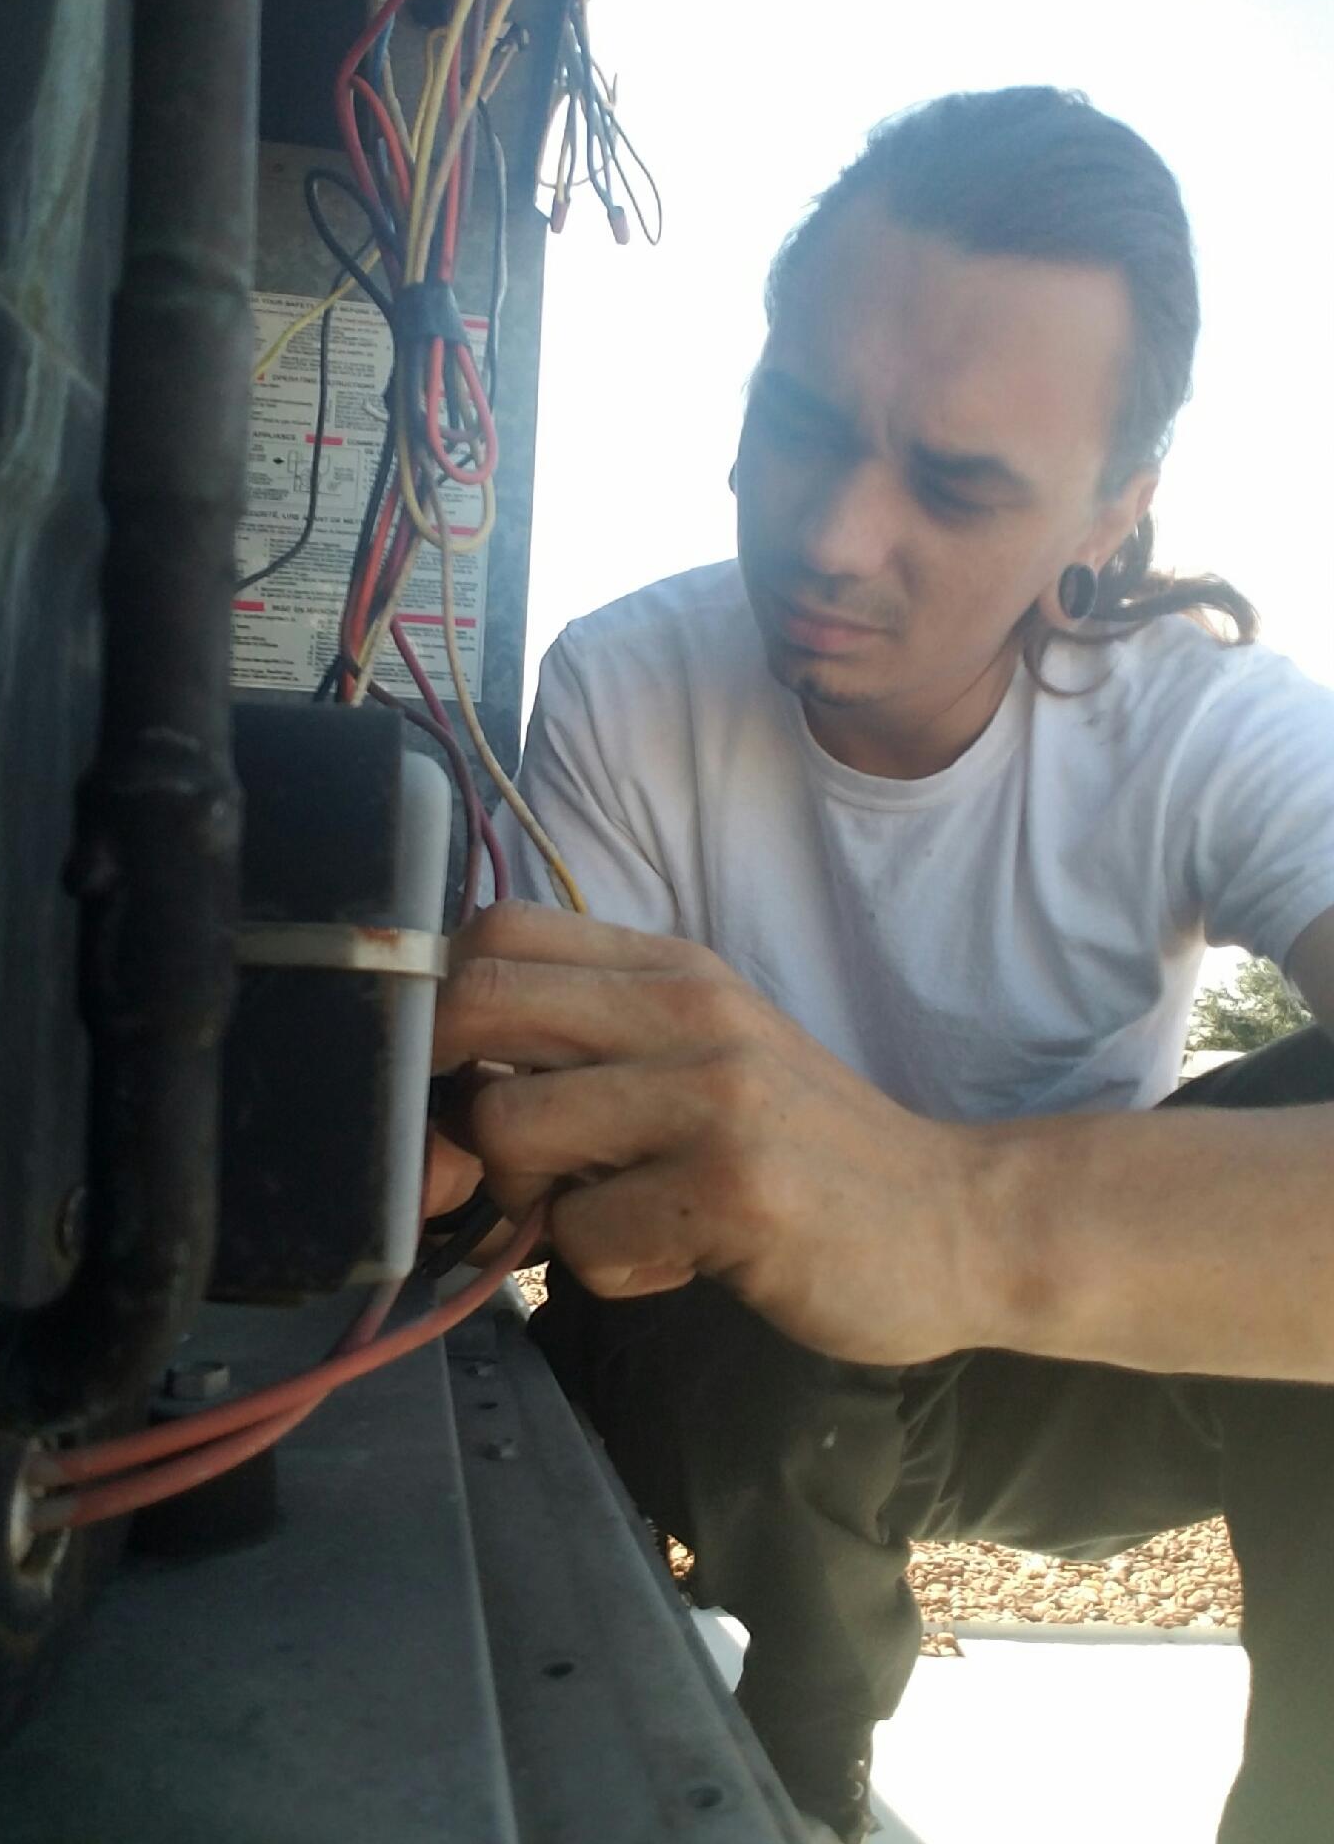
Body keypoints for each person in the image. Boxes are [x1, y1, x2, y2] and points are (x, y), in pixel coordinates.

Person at [430, 88, 1334, 1842]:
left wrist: (949, 1213)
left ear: (1110, 513)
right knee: (702, 1244)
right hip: (738, 1372)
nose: (834, 538)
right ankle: (804, 1766)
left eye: (957, 483)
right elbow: (554, 1147)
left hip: (1066, 1380)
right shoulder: (630, 680)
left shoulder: (1217, 734)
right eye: (797, 424)